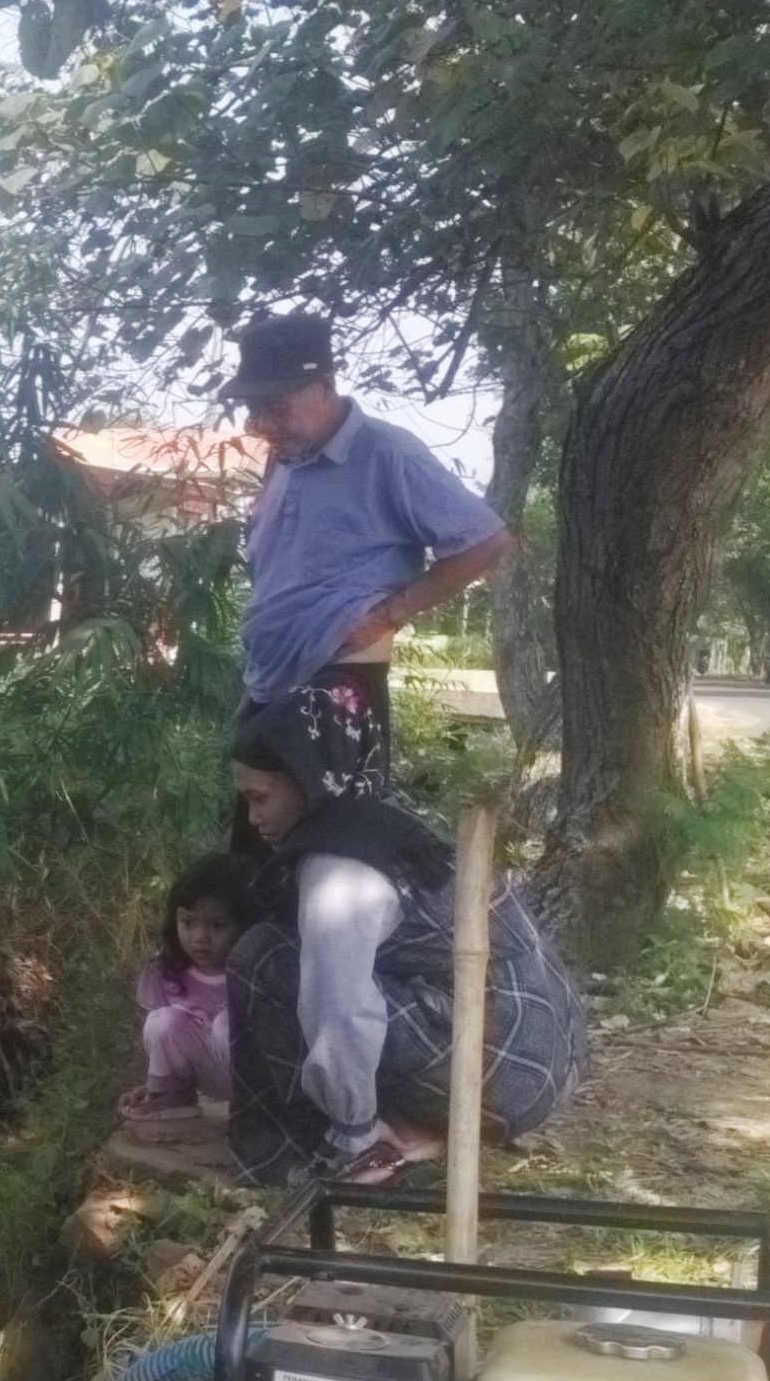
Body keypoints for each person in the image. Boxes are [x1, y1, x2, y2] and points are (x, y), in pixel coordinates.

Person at [225, 683, 586, 1187]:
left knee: (261, 956)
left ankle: (345, 1150)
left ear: (306, 782)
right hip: (548, 1055)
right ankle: (419, 1126)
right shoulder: (379, 820)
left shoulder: (338, 869)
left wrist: (354, 1126)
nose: (253, 818)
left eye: (259, 798)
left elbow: (339, 1009)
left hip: (505, 1072)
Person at [221, 310, 516, 802]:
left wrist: (392, 614)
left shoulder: (388, 452)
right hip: (269, 683)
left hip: (336, 686)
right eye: (254, 410)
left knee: (327, 857)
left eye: (275, 406)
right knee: (264, 863)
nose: (262, 424)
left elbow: (487, 541)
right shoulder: (284, 456)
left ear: (325, 385)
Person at [118, 853, 254, 1129]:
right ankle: (173, 1097)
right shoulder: (166, 971)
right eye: (188, 923)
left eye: (216, 925)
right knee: (162, 1021)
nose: (200, 937)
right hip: (209, 1076)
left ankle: (257, 1115)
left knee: (226, 1025)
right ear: (174, 920)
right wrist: (155, 1083)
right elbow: (164, 1039)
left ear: (242, 926)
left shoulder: (253, 971)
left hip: (255, 1083)